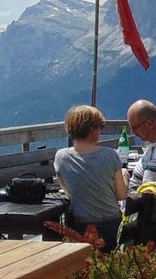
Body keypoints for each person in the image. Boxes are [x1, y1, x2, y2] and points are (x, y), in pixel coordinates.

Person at [54, 104, 128, 247]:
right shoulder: (110, 155)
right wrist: (125, 177)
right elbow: (121, 195)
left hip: (81, 226)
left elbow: (69, 192)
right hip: (111, 224)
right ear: (92, 129)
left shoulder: (60, 157)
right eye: (100, 127)